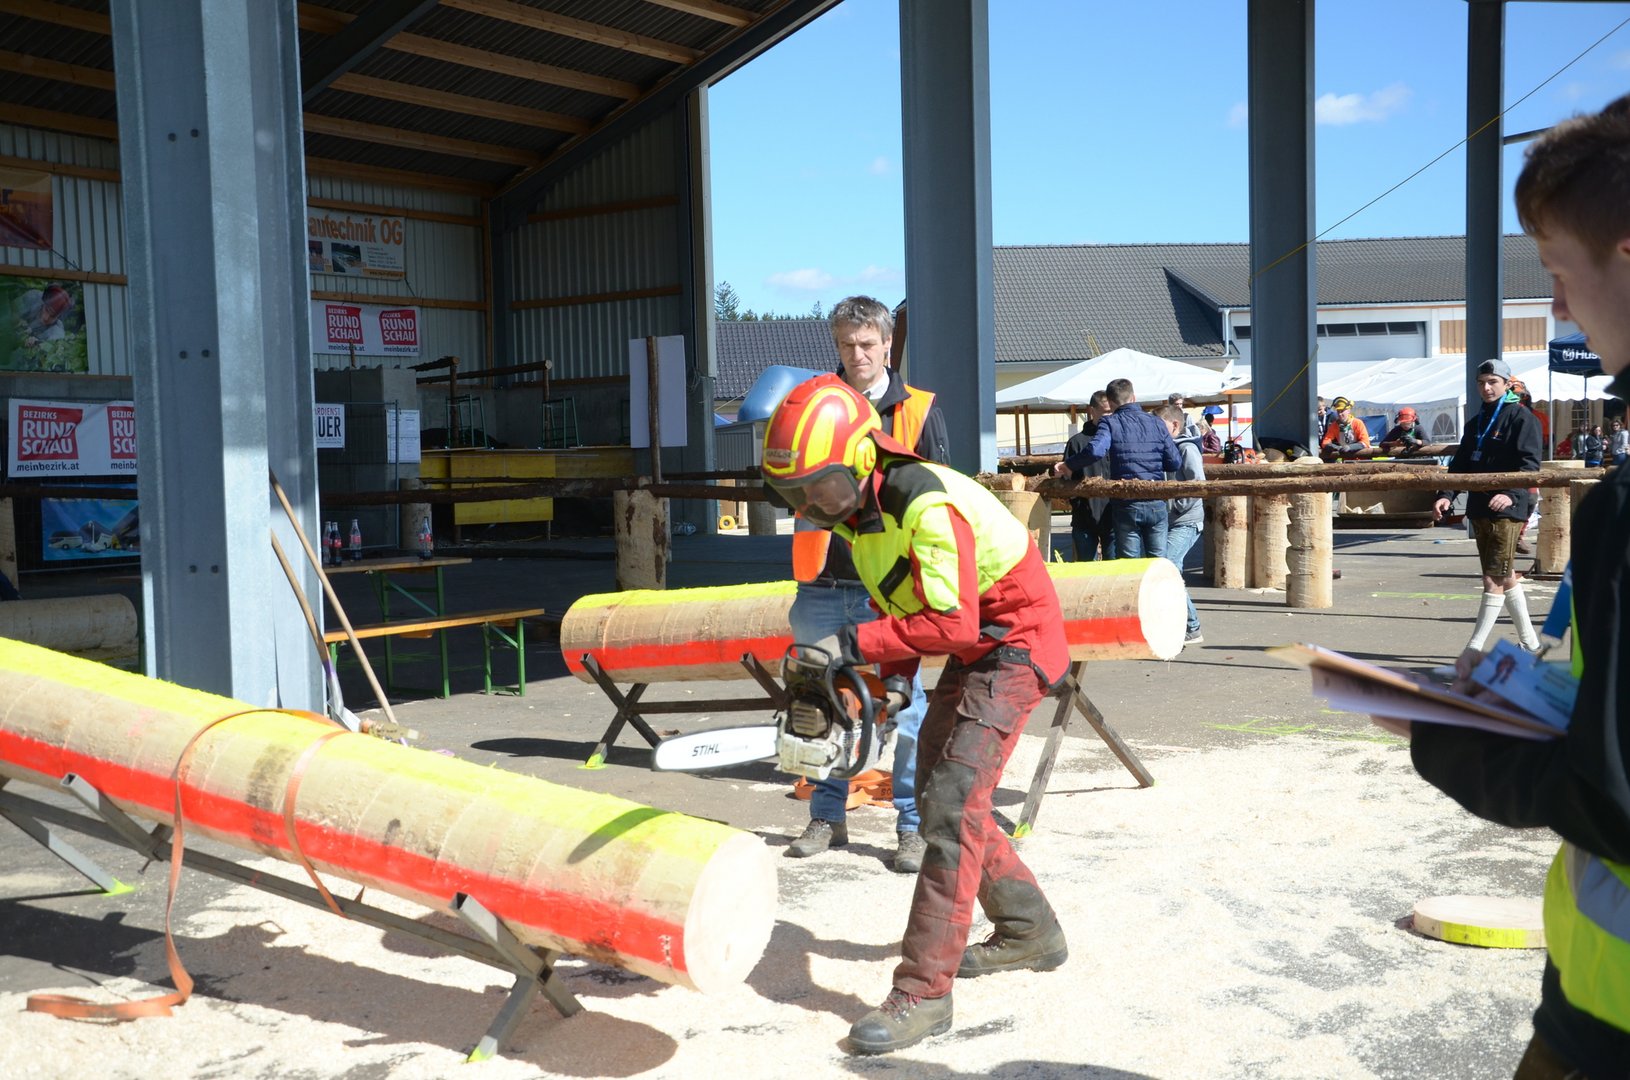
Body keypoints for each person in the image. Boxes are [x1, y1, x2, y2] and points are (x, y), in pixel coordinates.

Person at [1393, 92, 1630, 1080]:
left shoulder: (1621, 506)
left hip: (1612, 1014)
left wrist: (1446, 734)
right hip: (1597, 993)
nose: (1560, 308)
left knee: (1502, 585)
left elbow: (1611, 795)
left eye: (1559, 273)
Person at [761, 374, 1070, 1055]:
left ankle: (925, 993)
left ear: (861, 458)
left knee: (951, 806)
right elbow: (905, 604)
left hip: (1014, 642)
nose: (814, 507)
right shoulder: (861, 521)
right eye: (799, 495)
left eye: (822, 488)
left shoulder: (924, 504)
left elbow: (952, 624)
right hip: (977, 646)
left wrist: (848, 646)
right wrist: (895, 685)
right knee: (940, 794)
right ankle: (1030, 931)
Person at [784, 296, 946, 873]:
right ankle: (827, 815)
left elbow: (941, 497)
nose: (857, 354)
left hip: (891, 588)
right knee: (819, 702)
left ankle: (912, 824)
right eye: (847, 345)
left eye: (867, 344)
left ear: (887, 344)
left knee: (906, 708)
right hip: (823, 581)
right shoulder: (811, 405)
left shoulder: (919, 410)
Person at [1431, 358, 1543, 655]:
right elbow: (1460, 465)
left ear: (1507, 384)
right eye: (1481, 383)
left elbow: (1530, 465)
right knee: (1505, 575)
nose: (1486, 387)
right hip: (1480, 507)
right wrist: (1446, 494)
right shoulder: (1476, 422)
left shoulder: (1522, 418)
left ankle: (1473, 650)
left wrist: (1510, 493)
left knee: (1492, 578)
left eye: (1493, 382)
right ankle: (1530, 642)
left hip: (1507, 509)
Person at [1051, 378, 1181, 558]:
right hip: (1155, 499)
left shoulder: (1110, 422)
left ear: (1111, 403)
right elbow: (1174, 462)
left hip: (1126, 502)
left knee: (1128, 562)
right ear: (1133, 397)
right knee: (1159, 560)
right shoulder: (1156, 422)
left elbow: (1095, 450)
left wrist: (1068, 465)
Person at [1156, 403, 1204, 645]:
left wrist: (1175, 506)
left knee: (1168, 567)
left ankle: (1192, 626)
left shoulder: (1187, 449)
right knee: (1169, 569)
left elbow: (1197, 484)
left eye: (1160, 426)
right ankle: (1181, 623)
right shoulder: (1167, 448)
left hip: (1186, 520)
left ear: (1175, 425)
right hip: (1173, 519)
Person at [1062, 390, 1115, 561]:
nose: (1110, 416)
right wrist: (1078, 503)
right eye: (1106, 411)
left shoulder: (1118, 440)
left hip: (1114, 517)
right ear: (1092, 411)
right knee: (1087, 569)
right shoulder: (1077, 442)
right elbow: (1065, 480)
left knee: (1115, 570)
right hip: (1084, 518)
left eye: (1112, 411)